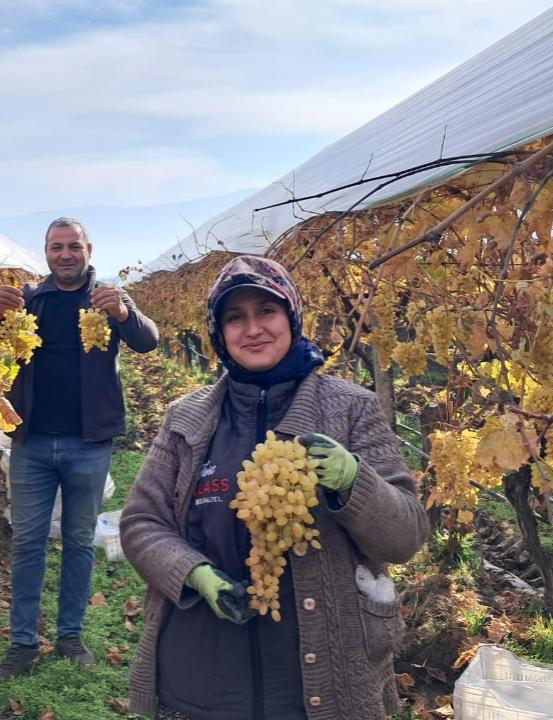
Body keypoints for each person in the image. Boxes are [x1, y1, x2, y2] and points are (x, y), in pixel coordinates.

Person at [119, 256, 429, 720]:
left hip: (319, 684)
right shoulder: (186, 418)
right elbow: (142, 522)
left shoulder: (351, 410)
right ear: (218, 333)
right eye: (235, 317)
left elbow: (405, 538)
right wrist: (193, 573)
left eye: (267, 311)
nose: (253, 329)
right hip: (202, 679)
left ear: (292, 317)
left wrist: (354, 482)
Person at [0, 217, 159, 678]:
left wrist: (123, 314)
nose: (66, 254)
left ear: (89, 249)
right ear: (47, 252)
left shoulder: (109, 297)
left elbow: (147, 341)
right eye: (57, 247)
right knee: (29, 542)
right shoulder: (31, 299)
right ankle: (22, 643)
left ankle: (70, 637)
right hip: (31, 442)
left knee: (78, 541)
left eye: (74, 246)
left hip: (88, 442)